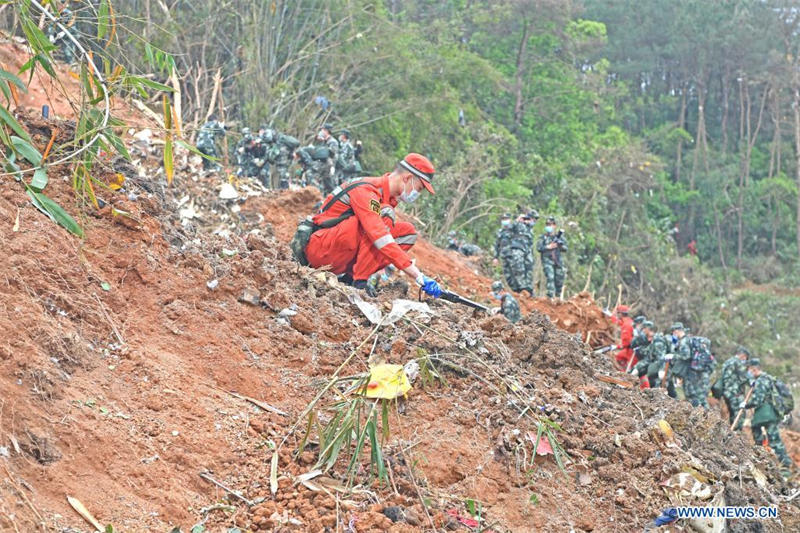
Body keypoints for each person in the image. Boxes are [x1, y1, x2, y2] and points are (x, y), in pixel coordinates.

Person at [303, 153, 442, 297]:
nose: (417, 194)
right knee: (381, 220)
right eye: (419, 188)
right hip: (320, 250)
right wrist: (418, 275)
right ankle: (359, 282)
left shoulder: (385, 197)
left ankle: (350, 278)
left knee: (408, 233)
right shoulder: (367, 190)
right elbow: (379, 235)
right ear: (407, 178)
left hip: (337, 250)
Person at [743, 359, 792, 469]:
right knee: (773, 439)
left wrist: (745, 405)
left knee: (768, 438)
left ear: (754, 369)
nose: (748, 372)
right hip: (771, 413)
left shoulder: (761, 380)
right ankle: (777, 463)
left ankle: (780, 464)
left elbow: (757, 400)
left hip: (765, 414)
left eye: (749, 369)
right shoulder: (768, 378)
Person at [496, 212, 535, 296]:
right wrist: (495, 257)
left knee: (519, 272)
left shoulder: (521, 227)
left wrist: (524, 221)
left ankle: (525, 291)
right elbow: (497, 244)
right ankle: (517, 291)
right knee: (509, 276)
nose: (505, 221)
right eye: (503, 219)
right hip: (505, 255)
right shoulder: (503, 230)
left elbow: (528, 231)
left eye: (506, 219)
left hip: (515, 253)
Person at [719, 346, 751, 429]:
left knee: (732, 413)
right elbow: (745, 378)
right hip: (735, 392)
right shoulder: (738, 363)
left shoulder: (728, 362)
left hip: (726, 392)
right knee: (740, 413)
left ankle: (731, 431)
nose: (745, 359)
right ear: (743, 355)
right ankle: (736, 432)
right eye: (745, 358)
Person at [536, 216, 567, 298]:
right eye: (547, 224)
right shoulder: (543, 237)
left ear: (554, 225)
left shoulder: (560, 237)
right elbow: (539, 248)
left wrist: (559, 246)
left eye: (550, 224)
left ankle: (557, 297)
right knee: (550, 277)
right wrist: (548, 247)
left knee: (559, 279)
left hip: (557, 261)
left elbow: (565, 248)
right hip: (547, 261)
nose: (549, 226)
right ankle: (550, 297)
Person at [683, 336, 716, 408]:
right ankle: (706, 412)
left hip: (696, 380)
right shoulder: (708, 354)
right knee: (702, 399)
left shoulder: (697, 354)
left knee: (695, 398)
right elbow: (712, 366)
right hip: (703, 381)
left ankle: (702, 412)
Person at [611, 305, 635, 371]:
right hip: (631, 349)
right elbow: (618, 322)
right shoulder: (629, 321)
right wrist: (611, 317)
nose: (617, 315)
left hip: (630, 351)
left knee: (619, 360)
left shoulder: (626, 325)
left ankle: (623, 374)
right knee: (619, 356)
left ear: (620, 314)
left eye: (618, 313)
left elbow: (626, 342)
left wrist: (617, 346)